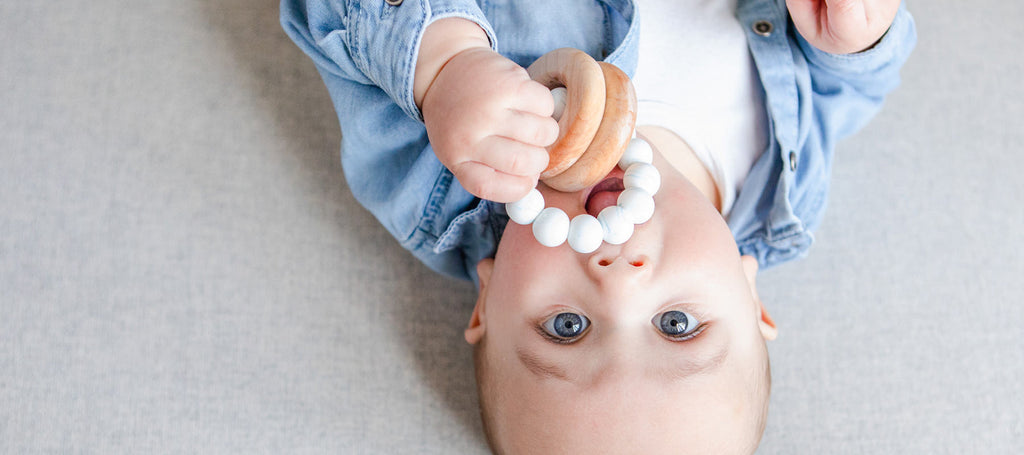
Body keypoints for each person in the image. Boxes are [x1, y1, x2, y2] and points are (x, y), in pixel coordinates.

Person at [281, 0, 916, 452]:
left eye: (567, 328)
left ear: (487, 299)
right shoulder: (784, 190)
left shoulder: (437, 180)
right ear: (752, 300)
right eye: (677, 325)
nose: (619, 280)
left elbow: (331, 16)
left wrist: (442, 65)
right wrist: (854, 40)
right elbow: (844, 91)